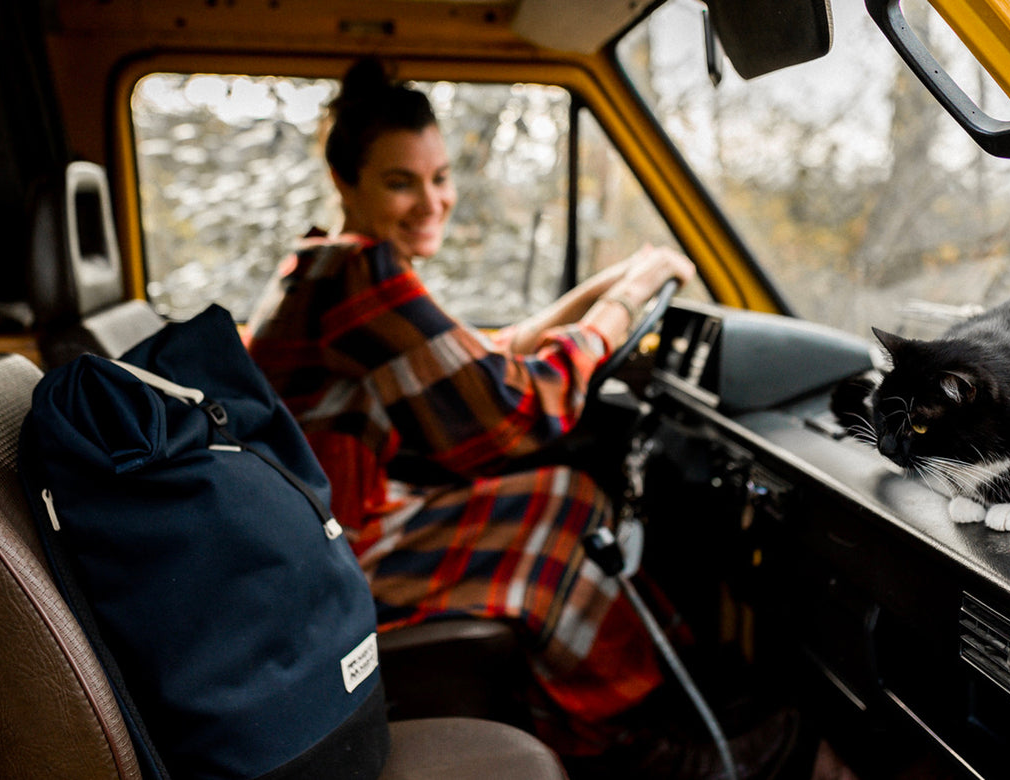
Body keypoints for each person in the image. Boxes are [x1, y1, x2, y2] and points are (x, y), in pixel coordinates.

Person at [246, 57, 810, 779]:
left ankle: (665, 709)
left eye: (441, 177)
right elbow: (515, 408)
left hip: (324, 536)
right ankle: (638, 745)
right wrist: (622, 304)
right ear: (345, 183)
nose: (432, 201)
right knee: (559, 519)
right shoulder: (358, 274)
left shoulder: (325, 263)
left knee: (561, 500)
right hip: (340, 557)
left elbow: (485, 353)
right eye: (400, 182)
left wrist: (609, 284)